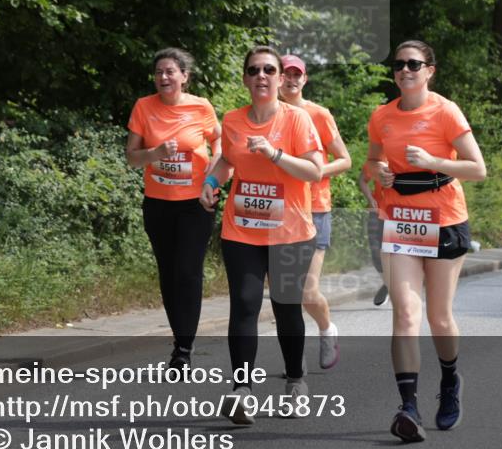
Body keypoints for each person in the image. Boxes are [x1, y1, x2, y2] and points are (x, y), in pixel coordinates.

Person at [366, 39, 486, 443]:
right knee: (404, 313)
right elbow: (371, 160)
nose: (405, 70)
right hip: (400, 218)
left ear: (429, 70)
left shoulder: (446, 111)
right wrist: (380, 171)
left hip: (445, 219)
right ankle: (409, 407)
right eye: (399, 64)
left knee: (439, 317)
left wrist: (434, 162)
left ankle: (450, 379)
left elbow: (477, 168)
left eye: (414, 64)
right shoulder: (382, 116)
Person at [200, 45, 323, 425]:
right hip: (243, 228)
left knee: (286, 310)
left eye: (269, 70)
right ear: (245, 79)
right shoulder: (233, 119)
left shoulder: (297, 119)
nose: (262, 77)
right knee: (245, 303)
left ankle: (296, 382)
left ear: (280, 77)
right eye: (254, 70)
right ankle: (242, 391)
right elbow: (227, 160)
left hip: (290, 231)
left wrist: (274, 154)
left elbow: (315, 171)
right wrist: (210, 181)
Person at [126, 48, 221, 373]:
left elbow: (219, 143)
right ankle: (179, 342)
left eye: (170, 72)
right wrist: (155, 153)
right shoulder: (144, 106)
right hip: (158, 204)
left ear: (184, 76)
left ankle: (184, 349)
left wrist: (215, 172)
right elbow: (131, 156)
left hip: (195, 203)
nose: (163, 77)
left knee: (187, 271)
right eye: (158, 73)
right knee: (168, 274)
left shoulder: (201, 106)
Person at [278, 54, 352, 369]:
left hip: (315, 210)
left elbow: (345, 159)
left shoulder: (318, 114)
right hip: (277, 211)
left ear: (305, 79)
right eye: (285, 73)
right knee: (285, 293)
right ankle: (295, 360)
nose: (291, 79)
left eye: (297, 74)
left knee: (308, 290)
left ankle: (326, 329)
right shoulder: (267, 114)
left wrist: (317, 172)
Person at [358, 164, 390, 307]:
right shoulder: (377, 159)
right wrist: (370, 198)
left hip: (398, 212)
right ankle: (388, 283)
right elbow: (362, 180)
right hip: (377, 211)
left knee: (395, 253)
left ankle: (394, 286)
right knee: (375, 250)